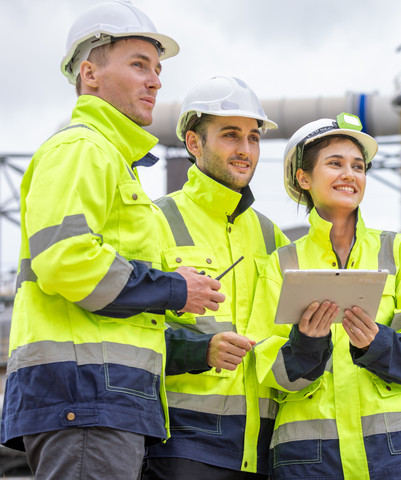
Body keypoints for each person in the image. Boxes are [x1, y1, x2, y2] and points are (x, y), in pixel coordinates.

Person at [0, 2, 225, 478]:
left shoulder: (109, 159)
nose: (156, 81)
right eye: (138, 65)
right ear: (91, 74)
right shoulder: (81, 148)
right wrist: (174, 288)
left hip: (103, 397)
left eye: (158, 69)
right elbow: (65, 259)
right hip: (84, 395)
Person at [247, 114, 401, 480]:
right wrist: (306, 344)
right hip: (309, 457)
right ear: (303, 178)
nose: (350, 174)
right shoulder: (282, 264)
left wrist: (377, 342)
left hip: (397, 452)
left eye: (358, 166)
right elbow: (268, 370)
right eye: (335, 163)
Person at [142, 75, 290, 480]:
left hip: (263, 445)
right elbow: (128, 332)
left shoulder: (271, 235)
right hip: (183, 445)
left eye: (253, 138)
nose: (245, 150)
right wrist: (199, 350)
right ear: (194, 143)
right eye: (230, 135)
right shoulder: (153, 222)